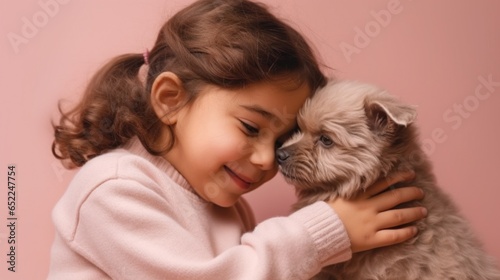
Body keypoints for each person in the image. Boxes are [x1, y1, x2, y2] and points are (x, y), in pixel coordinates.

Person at [48, 0, 427, 279]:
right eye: (250, 127)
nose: (267, 159)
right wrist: (322, 234)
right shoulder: (113, 189)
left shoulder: (223, 205)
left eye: (282, 139)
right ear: (170, 99)